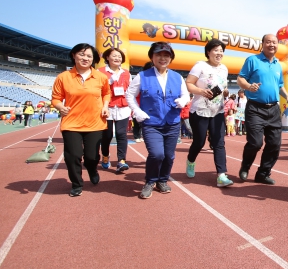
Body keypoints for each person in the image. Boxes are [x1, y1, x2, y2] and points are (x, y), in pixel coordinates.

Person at [125, 42, 190, 199]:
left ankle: (162, 180)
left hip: (172, 122)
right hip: (151, 123)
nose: (163, 58)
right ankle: (150, 181)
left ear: (171, 58)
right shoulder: (142, 76)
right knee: (156, 154)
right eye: (159, 55)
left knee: (169, 156)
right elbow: (129, 95)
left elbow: (186, 94)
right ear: (152, 57)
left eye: (166, 55)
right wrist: (137, 111)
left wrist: (183, 100)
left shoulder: (177, 77)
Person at [51, 43, 110, 197]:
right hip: (71, 123)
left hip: (95, 122)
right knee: (73, 155)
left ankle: (92, 169)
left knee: (92, 157)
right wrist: (59, 107)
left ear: (94, 59)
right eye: (82, 54)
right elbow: (56, 98)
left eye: (89, 56)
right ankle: (77, 184)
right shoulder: (63, 77)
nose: (85, 58)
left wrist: (105, 106)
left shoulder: (101, 77)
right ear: (74, 55)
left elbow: (106, 94)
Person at [237, 34, 288, 185]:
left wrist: (287, 96)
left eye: (274, 42)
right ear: (262, 44)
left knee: (275, 144)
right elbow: (240, 78)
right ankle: (245, 167)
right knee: (255, 143)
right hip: (255, 108)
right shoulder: (252, 60)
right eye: (268, 42)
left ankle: (263, 173)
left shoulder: (277, 64)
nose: (272, 45)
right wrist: (249, 86)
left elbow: (280, 85)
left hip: (274, 109)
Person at [184, 38, 233, 188]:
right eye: (216, 50)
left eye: (221, 51)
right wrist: (201, 91)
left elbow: (223, 87)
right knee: (199, 142)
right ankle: (191, 161)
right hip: (200, 110)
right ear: (208, 52)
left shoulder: (224, 68)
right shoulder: (200, 66)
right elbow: (188, 84)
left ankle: (221, 175)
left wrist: (225, 92)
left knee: (219, 142)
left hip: (217, 111)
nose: (219, 53)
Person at [98, 48, 132, 173]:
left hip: (123, 107)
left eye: (119, 56)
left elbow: (130, 90)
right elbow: (97, 88)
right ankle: (105, 156)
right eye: (114, 56)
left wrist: (132, 106)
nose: (117, 58)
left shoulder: (126, 73)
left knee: (121, 134)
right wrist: (110, 80)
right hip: (107, 107)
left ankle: (121, 160)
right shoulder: (100, 72)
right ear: (107, 57)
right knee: (107, 135)